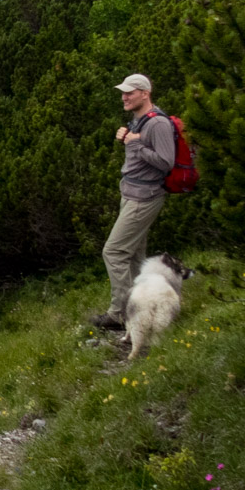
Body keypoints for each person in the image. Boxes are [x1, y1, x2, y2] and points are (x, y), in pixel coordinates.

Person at [89, 73, 176, 331]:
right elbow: (141, 154)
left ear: (145, 93)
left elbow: (165, 162)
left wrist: (134, 144)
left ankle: (121, 314)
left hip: (144, 198)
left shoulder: (158, 123)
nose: (124, 97)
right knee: (136, 256)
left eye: (130, 92)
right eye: (123, 92)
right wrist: (129, 138)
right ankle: (150, 308)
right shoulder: (140, 121)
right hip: (132, 195)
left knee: (114, 252)